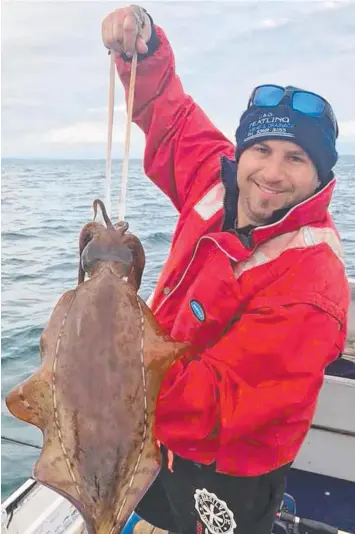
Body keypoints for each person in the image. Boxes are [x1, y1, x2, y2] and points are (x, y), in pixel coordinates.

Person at [102, 6, 350, 534]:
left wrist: (115, 364)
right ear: (242, 152)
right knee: (152, 502)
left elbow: (222, 404)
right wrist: (140, 47)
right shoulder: (218, 185)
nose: (272, 174)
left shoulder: (314, 285)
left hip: (232, 461)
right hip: (161, 418)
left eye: (295, 159)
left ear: (319, 174)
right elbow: (170, 120)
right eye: (261, 149)